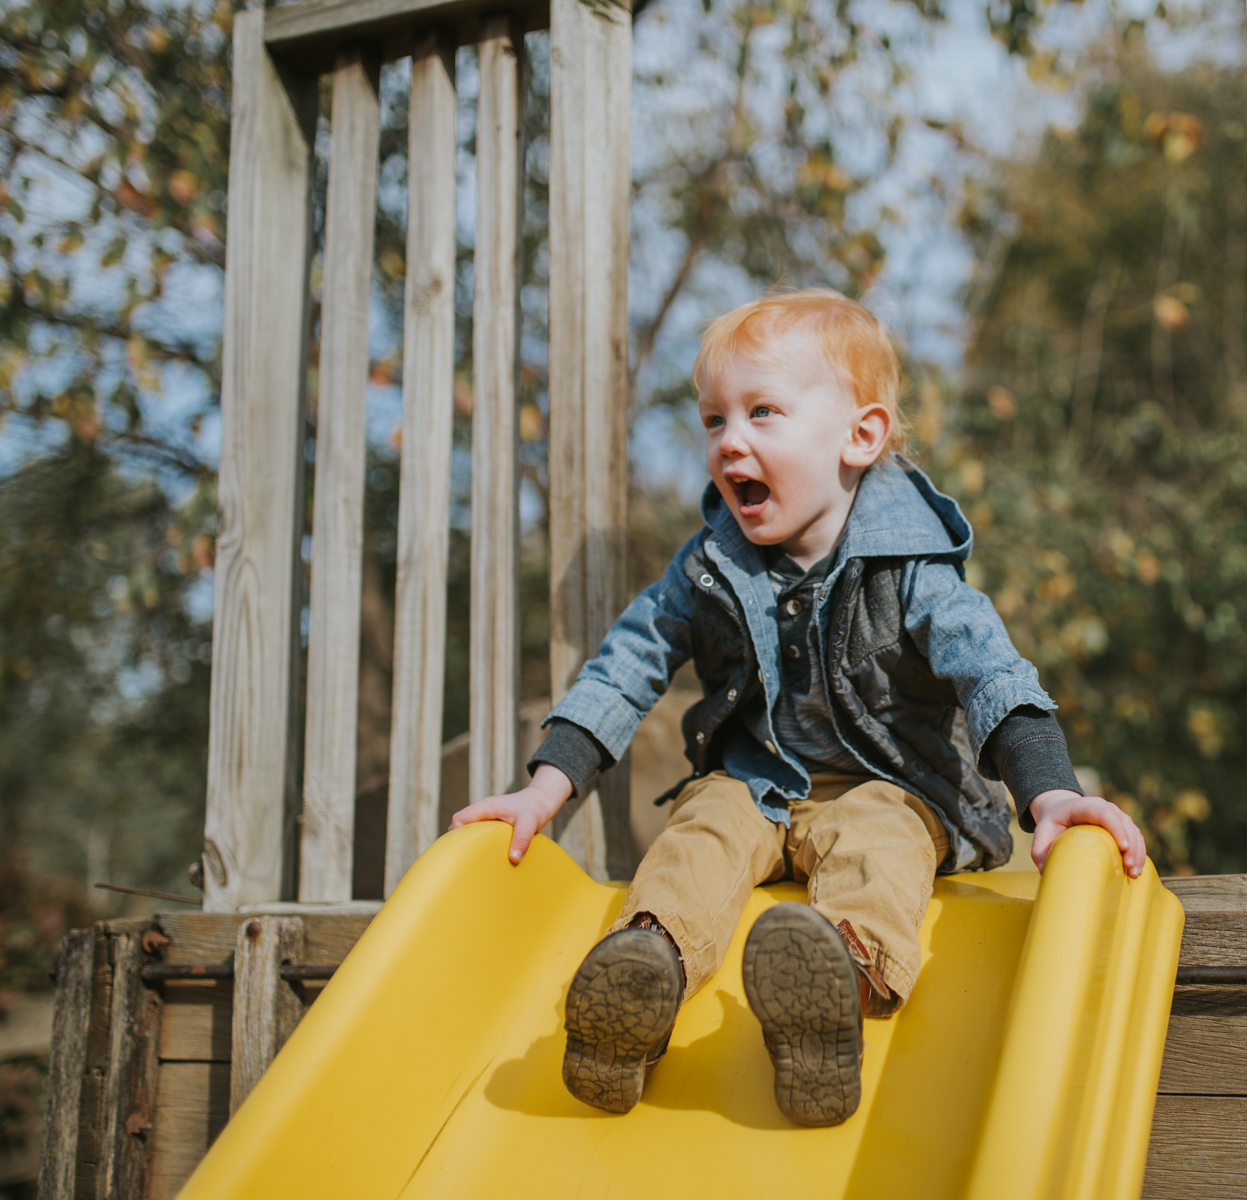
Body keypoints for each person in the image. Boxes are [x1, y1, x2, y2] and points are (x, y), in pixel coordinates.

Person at [450, 288, 1147, 1127]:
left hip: (891, 787)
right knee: (701, 830)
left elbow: (990, 672)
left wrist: (1049, 790)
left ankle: (833, 990)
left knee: (877, 841)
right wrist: (544, 789)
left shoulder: (914, 570)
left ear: (861, 436)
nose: (729, 441)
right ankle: (645, 975)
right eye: (714, 420)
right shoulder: (711, 561)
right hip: (755, 785)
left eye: (762, 412)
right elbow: (628, 663)